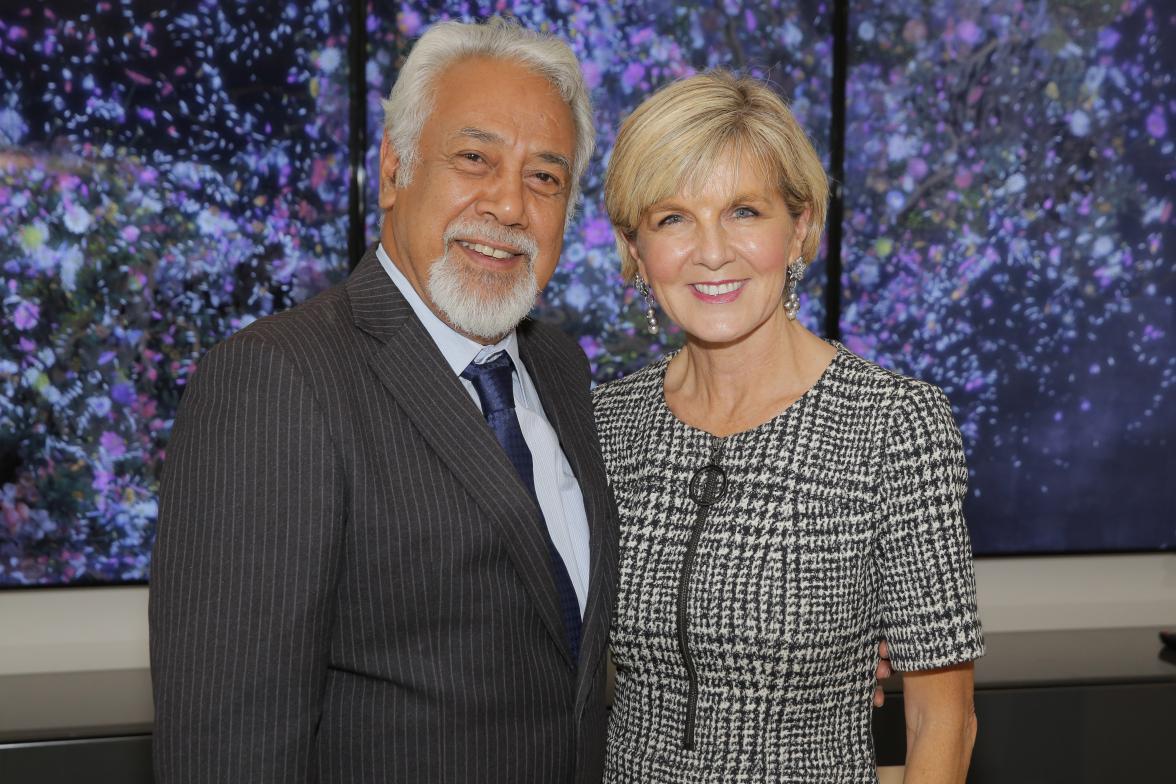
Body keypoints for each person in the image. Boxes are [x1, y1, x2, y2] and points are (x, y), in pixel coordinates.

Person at [149, 19, 617, 784]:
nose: (508, 205)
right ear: (394, 169)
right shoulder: (275, 379)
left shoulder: (559, 367)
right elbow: (225, 753)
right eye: (475, 158)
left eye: (546, 177)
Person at [592, 71, 985, 782]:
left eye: (744, 211)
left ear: (799, 226)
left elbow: (943, 723)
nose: (711, 251)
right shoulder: (604, 424)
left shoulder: (894, 425)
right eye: (672, 217)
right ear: (635, 250)